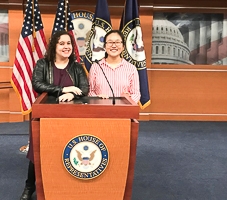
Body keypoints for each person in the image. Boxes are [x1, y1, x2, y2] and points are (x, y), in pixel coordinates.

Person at [19, 30, 89, 200]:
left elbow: (84, 89)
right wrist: (63, 90)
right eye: (62, 43)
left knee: (65, 151)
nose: (66, 47)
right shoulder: (43, 64)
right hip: (44, 115)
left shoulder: (77, 66)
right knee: (38, 151)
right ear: (54, 46)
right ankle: (29, 187)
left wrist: (73, 95)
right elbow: (37, 84)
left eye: (68, 44)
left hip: (70, 118)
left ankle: (60, 186)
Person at [88, 30, 141, 103]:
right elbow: (90, 91)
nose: (113, 45)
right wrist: (97, 98)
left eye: (117, 42)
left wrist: (127, 100)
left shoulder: (131, 69)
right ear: (104, 47)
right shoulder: (96, 67)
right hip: (100, 110)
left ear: (123, 47)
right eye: (110, 42)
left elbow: (136, 94)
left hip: (123, 111)